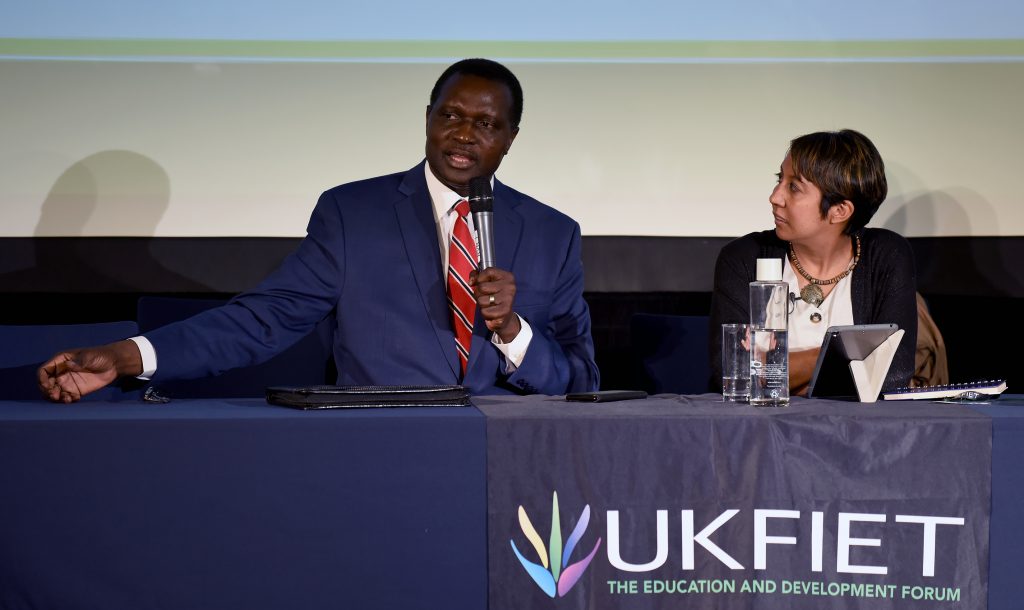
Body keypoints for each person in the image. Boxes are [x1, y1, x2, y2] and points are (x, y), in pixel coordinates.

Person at [38, 58, 600, 402]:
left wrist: (512, 332)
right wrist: (125, 355)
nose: (462, 134)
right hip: (376, 450)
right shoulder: (352, 213)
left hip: (508, 460)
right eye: (449, 115)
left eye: (485, 124)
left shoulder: (554, 234)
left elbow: (581, 383)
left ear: (510, 137)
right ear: (427, 116)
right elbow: (263, 319)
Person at [710, 129, 916, 395]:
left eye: (794, 187)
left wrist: (773, 371)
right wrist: (844, 357)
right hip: (760, 429)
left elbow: (891, 377)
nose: (775, 197)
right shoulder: (743, 257)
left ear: (839, 211)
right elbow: (733, 374)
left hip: (854, 431)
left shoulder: (887, 255)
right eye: (779, 179)